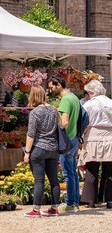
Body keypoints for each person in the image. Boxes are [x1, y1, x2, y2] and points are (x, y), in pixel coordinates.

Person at [23, 85, 60, 217]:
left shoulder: (35, 113)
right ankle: (54, 208)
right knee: (54, 179)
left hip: (39, 148)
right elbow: (59, 127)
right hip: (54, 148)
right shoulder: (54, 110)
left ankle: (36, 210)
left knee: (39, 180)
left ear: (33, 96)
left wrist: (27, 153)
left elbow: (31, 134)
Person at [48, 74, 80, 213]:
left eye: (51, 87)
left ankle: (70, 203)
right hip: (74, 139)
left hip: (66, 140)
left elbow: (64, 122)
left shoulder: (66, 99)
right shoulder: (74, 97)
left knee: (68, 173)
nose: (50, 91)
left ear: (58, 85)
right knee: (73, 173)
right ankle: (75, 202)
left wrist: (55, 133)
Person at [79, 80, 112, 209]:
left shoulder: (88, 105)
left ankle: (90, 201)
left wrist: (81, 136)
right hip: (110, 137)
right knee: (109, 170)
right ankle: (109, 200)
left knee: (92, 169)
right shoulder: (110, 102)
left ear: (91, 92)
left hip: (93, 137)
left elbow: (83, 123)